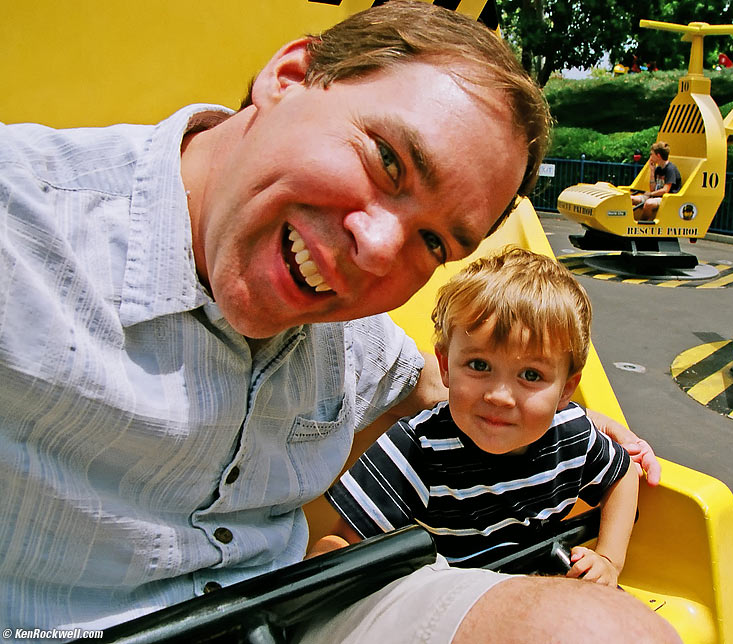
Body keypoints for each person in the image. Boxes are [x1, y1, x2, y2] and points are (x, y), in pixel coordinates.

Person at [0, 1, 673, 641]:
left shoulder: (354, 340)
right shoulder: (21, 225)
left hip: (291, 612)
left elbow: (448, 394)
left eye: (434, 242)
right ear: (289, 77)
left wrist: (562, 410)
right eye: (386, 161)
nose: (378, 251)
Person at [314, 247, 639, 588]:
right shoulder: (418, 450)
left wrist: (608, 558)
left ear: (566, 389)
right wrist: (322, 563)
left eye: (530, 375)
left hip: (538, 590)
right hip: (452, 605)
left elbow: (624, 474)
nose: (499, 396)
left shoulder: (572, 433)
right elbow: (347, 541)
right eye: (479, 366)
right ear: (445, 368)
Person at [631, 141, 682, 221]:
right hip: (655, 196)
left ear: (658, 156)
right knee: (631, 199)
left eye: (651, 154)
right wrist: (652, 171)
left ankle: (642, 224)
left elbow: (665, 190)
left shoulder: (670, 169)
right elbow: (652, 188)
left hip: (667, 199)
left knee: (649, 204)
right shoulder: (658, 169)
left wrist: (651, 194)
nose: (650, 157)